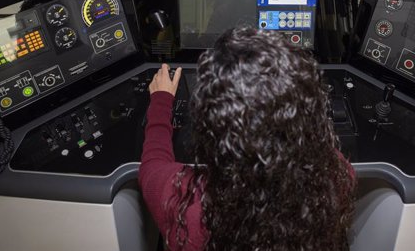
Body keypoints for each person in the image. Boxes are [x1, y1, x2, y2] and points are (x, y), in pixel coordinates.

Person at [139, 27, 356, 251]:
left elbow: (151, 168)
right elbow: (318, 143)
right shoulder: (337, 179)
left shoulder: (187, 208)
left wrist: (161, 100)